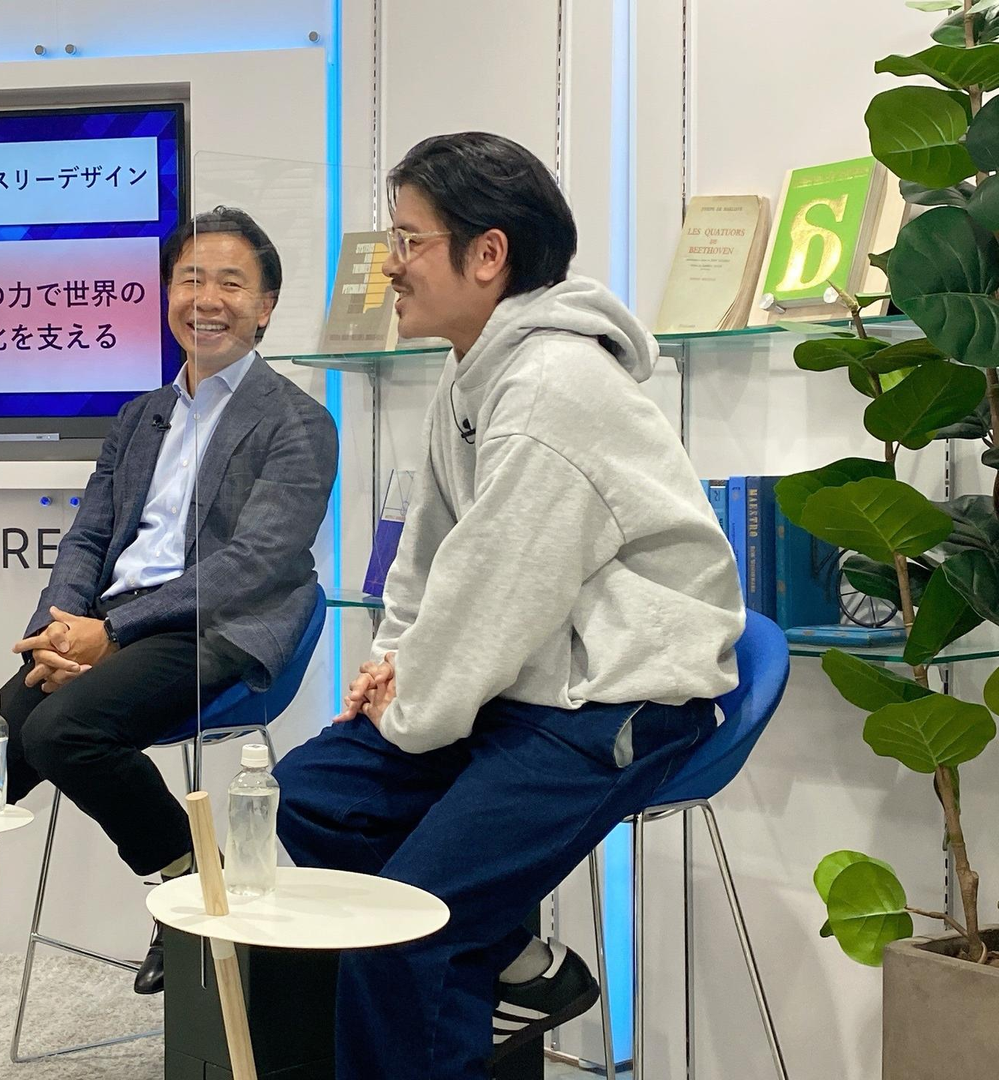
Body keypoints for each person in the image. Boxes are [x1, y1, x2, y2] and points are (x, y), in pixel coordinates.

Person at [274, 133, 745, 1080]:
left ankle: (453, 975)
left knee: (405, 935)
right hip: (526, 677)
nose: (390, 265)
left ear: (487, 254)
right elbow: (431, 554)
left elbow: (499, 584)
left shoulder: (552, 387)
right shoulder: (473, 368)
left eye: (409, 241)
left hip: (617, 693)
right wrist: (392, 667)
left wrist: (412, 706)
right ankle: (519, 971)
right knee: (315, 795)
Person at [0, 206, 339, 1080]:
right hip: (103, 632)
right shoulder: (139, 417)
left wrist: (112, 632)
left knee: (66, 731)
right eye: (190, 279)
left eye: (231, 283)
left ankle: (184, 883)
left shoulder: (298, 421)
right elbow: (88, 540)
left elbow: (256, 562)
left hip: (211, 628)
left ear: (266, 307)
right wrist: (57, 630)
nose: (206, 299)